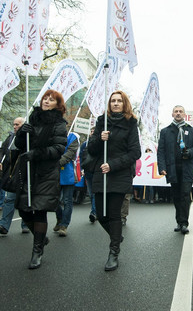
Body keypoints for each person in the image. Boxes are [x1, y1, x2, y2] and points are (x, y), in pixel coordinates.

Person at [87, 90, 141, 271]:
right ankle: (116, 236)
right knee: (101, 215)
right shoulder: (101, 121)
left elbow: (135, 152)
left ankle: (113, 252)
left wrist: (113, 165)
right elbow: (92, 150)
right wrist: (99, 140)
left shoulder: (131, 124)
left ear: (124, 104)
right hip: (99, 173)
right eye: (112, 101)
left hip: (118, 173)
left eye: (119, 101)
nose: (115, 103)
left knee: (114, 214)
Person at [13, 90, 67, 269]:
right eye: (45, 98)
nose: (46, 101)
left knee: (39, 210)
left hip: (46, 173)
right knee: (24, 210)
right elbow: (20, 145)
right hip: (28, 170)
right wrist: (21, 133)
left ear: (57, 105)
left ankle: (37, 251)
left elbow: (59, 148)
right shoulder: (32, 118)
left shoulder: (59, 124)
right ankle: (41, 238)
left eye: (51, 100)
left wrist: (37, 154)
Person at [158, 105, 193, 234]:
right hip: (172, 168)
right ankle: (178, 221)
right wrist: (162, 167)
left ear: (184, 115)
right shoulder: (165, 131)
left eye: (180, 111)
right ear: (172, 114)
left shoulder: (191, 130)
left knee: (185, 194)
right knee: (176, 195)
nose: (178, 113)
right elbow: (161, 151)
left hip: (187, 167)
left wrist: (190, 152)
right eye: (176, 111)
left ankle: (184, 223)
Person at [0, 117, 28, 235]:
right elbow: (2, 150)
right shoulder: (10, 137)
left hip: (24, 173)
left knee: (24, 199)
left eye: (17, 124)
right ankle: (3, 225)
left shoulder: (28, 138)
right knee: (9, 198)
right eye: (14, 124)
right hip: (11, 173)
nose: (14, 126)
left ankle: (26, 224)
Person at [54, 131, 79, 237]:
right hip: (54, 173)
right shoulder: (53, 135)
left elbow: (70, 153)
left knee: (67, 200)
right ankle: (59, 218)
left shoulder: (73, 137)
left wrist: (57, 163)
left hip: (67, 172)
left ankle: (64, 225)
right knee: (54, 199)